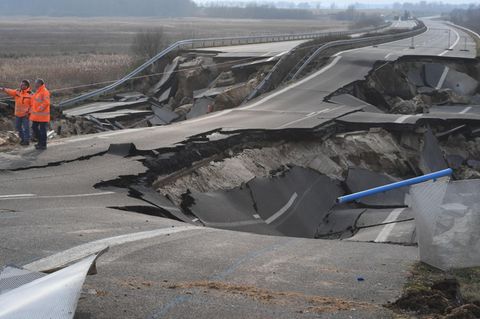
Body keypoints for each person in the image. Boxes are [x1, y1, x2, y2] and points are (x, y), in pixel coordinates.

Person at [0, 80, 32, 145]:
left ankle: (26, 140)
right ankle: (23, 139)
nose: (21, 85)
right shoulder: (17, 92)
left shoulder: (30, 94)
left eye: (22, 85)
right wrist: (3, 89)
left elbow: (33, 105)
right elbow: (10, 91)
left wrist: (29, 113)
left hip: (26, 115)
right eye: (21, 84)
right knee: (18, 127)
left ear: (26, 86)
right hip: (18, 114)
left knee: (26, 128)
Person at [30, 79, 51, 150]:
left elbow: (46, 102)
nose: (35, 84)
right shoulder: (38, 91)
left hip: (42, 115)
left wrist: (39, 109)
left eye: (36, 83)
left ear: (40, 83)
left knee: (42, 130)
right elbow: (34, 100)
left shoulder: (45, 91)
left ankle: (43, 144)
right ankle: (40, 142)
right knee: (34, 127)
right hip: (37, 115)